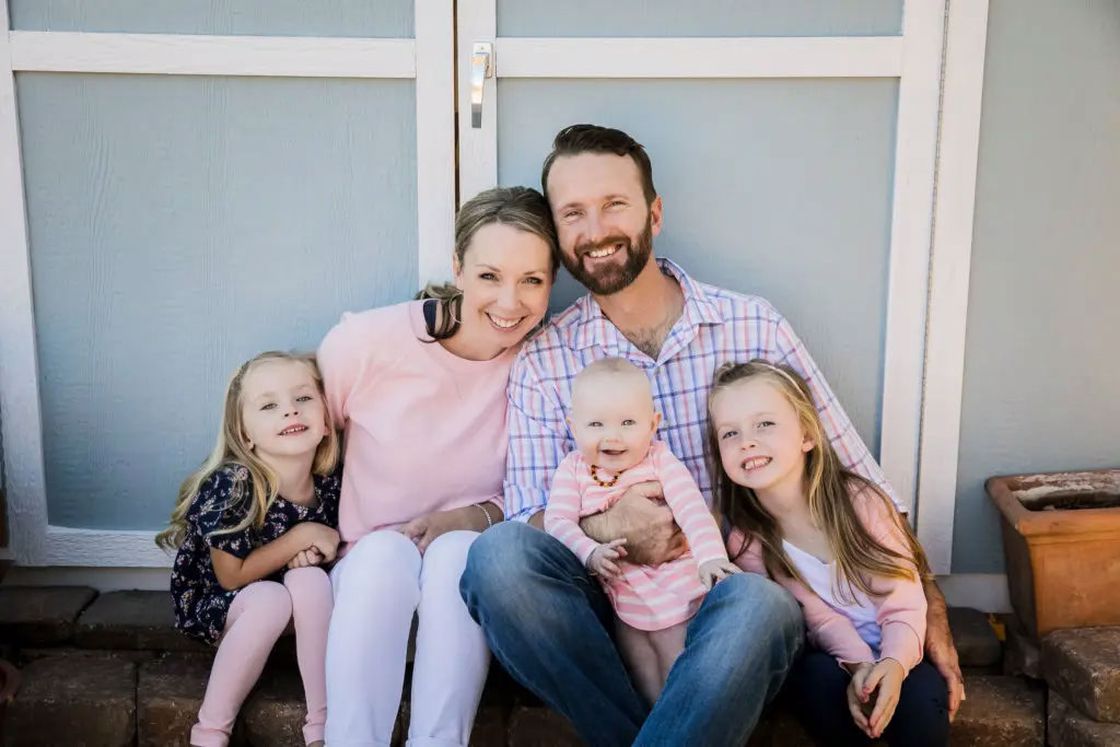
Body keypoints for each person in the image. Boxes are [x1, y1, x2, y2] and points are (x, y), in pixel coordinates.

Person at [460, 124, 963, 746]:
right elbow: (532, 517)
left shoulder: (752, 325)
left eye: (614, 204)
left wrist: (927, 605)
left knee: (759, 604)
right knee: (497, 559)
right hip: (613, 614)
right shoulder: (544, 361)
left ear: (655, 212)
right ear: (559, 233)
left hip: (730, 609)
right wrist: (611, 528)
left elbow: (855, 474)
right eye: (573, 213)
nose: (596, 230)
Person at [316, 186, 558, 747]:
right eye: (490, 276)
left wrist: (471, 516)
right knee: (382, 556)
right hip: (366, 564)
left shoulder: (543, 363)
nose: (509, 302)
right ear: (457, 268)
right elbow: (307, 454)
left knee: (457, 556)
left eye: (533, 281)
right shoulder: (365, 343)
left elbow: (543, 495)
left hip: (469, 558)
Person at [710, 360, 948, 745]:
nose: (747, 441)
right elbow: (817, 620)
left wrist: (891, 663)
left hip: (899, 646)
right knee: (817, 682)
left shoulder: (863, 503)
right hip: (833, 656)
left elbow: (903, 599)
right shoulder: (747, 541)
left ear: (807, 434)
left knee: (923, 698)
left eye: (764, 424)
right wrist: (860, 667)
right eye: (730, 433)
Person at [157, 351, 341, 747]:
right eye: (270, 405)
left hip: (295, 601)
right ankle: (210, 733)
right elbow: (230, 575)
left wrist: (316, 553)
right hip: (225, 605)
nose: (290, 411)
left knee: (308, 581)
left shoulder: (331, 481)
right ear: (245, 435)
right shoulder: (235, 483)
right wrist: (302, 535)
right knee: (270, 599)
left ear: (327, 419)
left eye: (304, 398)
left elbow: (331, 548)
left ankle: (324, 729)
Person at [544, 357, 740, 705]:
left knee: (674, 664)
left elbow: (691, 508)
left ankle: (680, 724)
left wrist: (710, 557)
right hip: (622, 592)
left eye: (628, 422)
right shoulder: (572, 470)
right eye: (595, 424)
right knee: (641, 671)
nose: (612, 436)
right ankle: (655, 729)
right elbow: (557, 522)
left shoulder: (660, 460)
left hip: (674, 587)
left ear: (653, 425)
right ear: (573, 427)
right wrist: (589, 551)